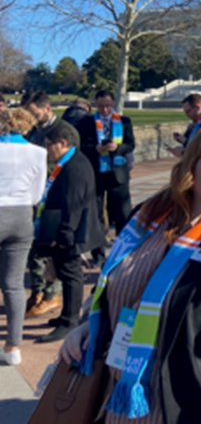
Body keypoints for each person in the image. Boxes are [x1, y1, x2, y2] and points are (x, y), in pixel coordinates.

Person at [58, 121, 201, 423]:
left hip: (189, 406)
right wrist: (89, 325)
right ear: (192, 158)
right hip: (116, 398)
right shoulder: (148, 215)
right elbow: (119, 285)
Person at [37, 122, 104, 343]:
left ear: (62, 143)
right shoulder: (70, 162)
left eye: (49, 145)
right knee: (67, 274)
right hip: (71, 228)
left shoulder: (74, 167)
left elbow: (73, 204)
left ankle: (70, 320)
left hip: (72, 232)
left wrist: (64, 234)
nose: (46, 150)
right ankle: (67, 314)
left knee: (71, 274)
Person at [22, 90, 78, 317]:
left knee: (51, 249)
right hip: (34, 197)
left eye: (34, 114)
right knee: (34, 248)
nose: (32, 119)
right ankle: (37, 290)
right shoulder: (34, 132)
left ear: (47, 109)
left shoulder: (64, 131)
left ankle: (51, 294)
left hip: (54, 197)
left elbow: (71, 166)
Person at [0, 108, 46, 364]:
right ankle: (13, 346)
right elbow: (37, 194)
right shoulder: (38, 153)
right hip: (21, 215)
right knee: (14, 284)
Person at [78, 90, 135, 239]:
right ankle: (98, 248)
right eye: (101, 106)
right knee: (95, 211)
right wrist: (96, 149)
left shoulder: (124, 121)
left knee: (122, 211)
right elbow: (80, 147)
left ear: (113, 104)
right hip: (96, 172)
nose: (105, 110)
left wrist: (117, 148)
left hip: (117, 171)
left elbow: (130, 144)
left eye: (108, 106)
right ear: (95, 105)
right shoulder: (85, 123)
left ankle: (121, 243)